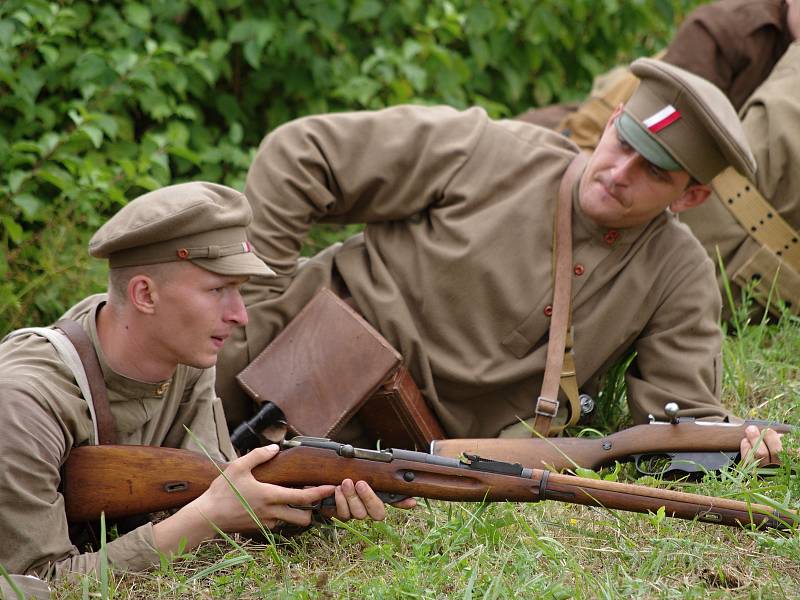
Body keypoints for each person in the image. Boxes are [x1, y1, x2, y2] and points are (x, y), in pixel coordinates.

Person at [215, 58, 783, 471]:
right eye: (623, 140)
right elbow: (300, 153)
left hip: (394, 457)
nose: (619, 171)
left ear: (691, 198)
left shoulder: (678, 270)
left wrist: (736, 444)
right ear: (611, 118)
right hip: (276, 361)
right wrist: (262, 295)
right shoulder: (491, 150)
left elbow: (678, 424)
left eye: (655, 172)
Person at [0, 183, 410, 588]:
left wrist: (310, 497)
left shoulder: (183, 353)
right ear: (144, 294)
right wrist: (207, 516)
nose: (240, 315)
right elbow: (38, 584)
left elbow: (219, 490)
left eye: (239, 291)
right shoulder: (22, 403)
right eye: (218, 290)